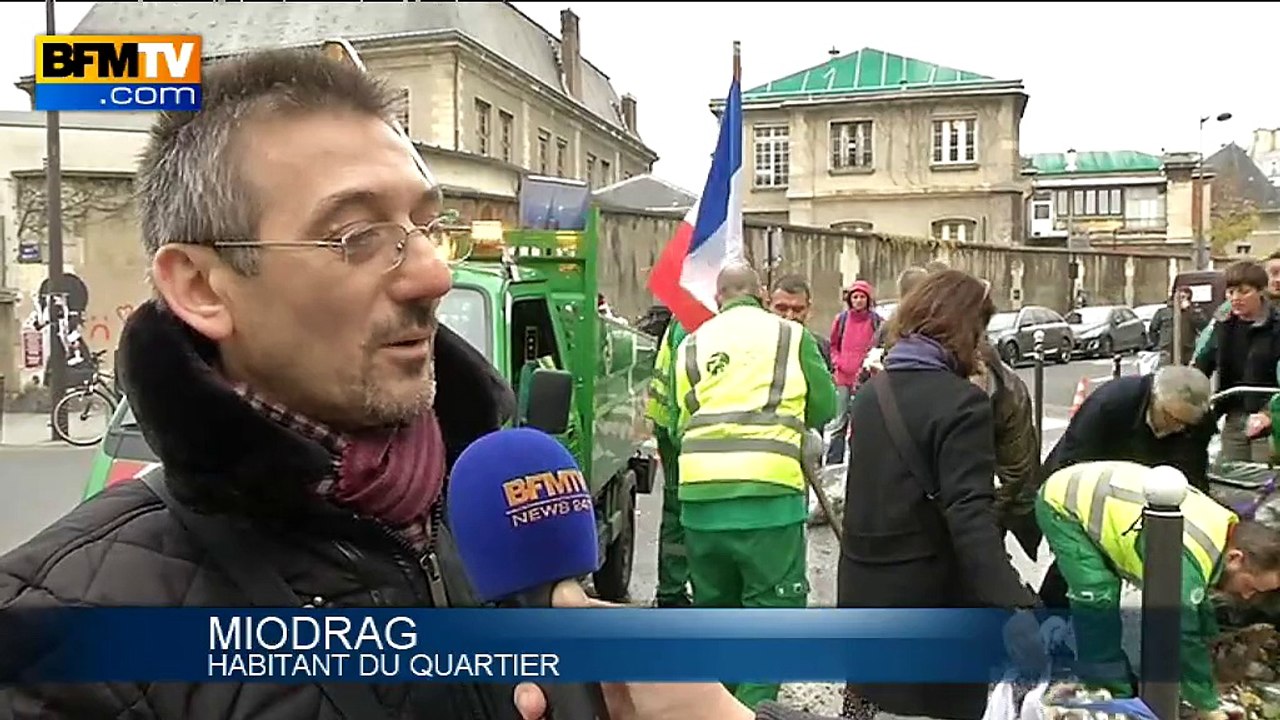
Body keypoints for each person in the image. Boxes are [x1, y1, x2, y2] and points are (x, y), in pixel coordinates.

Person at [839, 269, 1040, 720]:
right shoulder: (962, 404)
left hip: (863, 593)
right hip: (928, 601)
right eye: (981, 329)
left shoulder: (872, 394)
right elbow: (970, 517)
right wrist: (1016, 603)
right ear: (965, 328)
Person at [668, 262, 838, 709]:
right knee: (772, 617)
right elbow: (824, 406)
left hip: (701, 501)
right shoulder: (790, 336)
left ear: (718, 298)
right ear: (762, 294)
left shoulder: (691, 343)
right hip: (768, 498)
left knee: (716, 616)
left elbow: (679, 424)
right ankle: (749, 711)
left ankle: (718, 708)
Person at [1037, 461, 1280, 720]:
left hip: (1109, 494)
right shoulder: (1186, 556)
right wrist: (1207, 706)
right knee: (1098, 600)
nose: (1247, 596)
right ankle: (1111, 695)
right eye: (1250, 586)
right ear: (1235, 558)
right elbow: (1180, 633)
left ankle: (1123, 685)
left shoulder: (1227, 532)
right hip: (1064, 502)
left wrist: (1208, 654)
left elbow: (1196, 608)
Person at [1036, 365, 1217, 607]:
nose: (1179, 429)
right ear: (1156, 399)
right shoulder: (1110, 404)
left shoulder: (1196, 422)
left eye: (1187, 424)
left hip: (1153, 489)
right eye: (1173, 419)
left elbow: (1193, 474)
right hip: (1089, 482)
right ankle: (1048, 613)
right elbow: (1073, 462)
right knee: (1082, 560)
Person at [1194, 260, 1280, 463]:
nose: (1235, 298)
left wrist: (1268, 415)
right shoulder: (1222, 325)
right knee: (1232, 472)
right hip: (1232, 415)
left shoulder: (1276, 327)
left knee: (1264, 474)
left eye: (1243, 292)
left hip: (1271, 420)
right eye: (1230, 292)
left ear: (1261, 291)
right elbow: (1202, 363)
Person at [642, 305, 693, 608]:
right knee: (685, 510)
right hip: (679, 429)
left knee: (675, 508)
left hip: (667, 423)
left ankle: (670, 588)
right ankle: (676, 587)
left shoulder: (681, 317)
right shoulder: (693, 323)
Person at [826, 280, 880, 465]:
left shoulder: (876, 322)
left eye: (862, 297)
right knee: (839, 421)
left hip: (865, 379)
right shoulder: (841, 320)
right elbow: (833, 345)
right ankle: (834, 463)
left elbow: (879, 347)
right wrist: (837, 361)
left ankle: (859, 462)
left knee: (861, 421)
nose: (858, 300)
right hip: (843, 377)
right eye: (855, 297)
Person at [770, 274, 832, 371]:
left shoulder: (821, 348)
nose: (790, 316)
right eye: (782, 308)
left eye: (797, 310)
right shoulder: (752, 344)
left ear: (808, 308)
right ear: (768, 305)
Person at [1149, 286, 1207, 364]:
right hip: (1167, 350)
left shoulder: (1192, 312)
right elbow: (1153, 329)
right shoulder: (1163, 312)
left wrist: (1190, 310)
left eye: (1187, 298)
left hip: (1186, 351)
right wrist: (1158, 344)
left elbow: (1203, 326)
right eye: (1182, 297)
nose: (1183, 300)